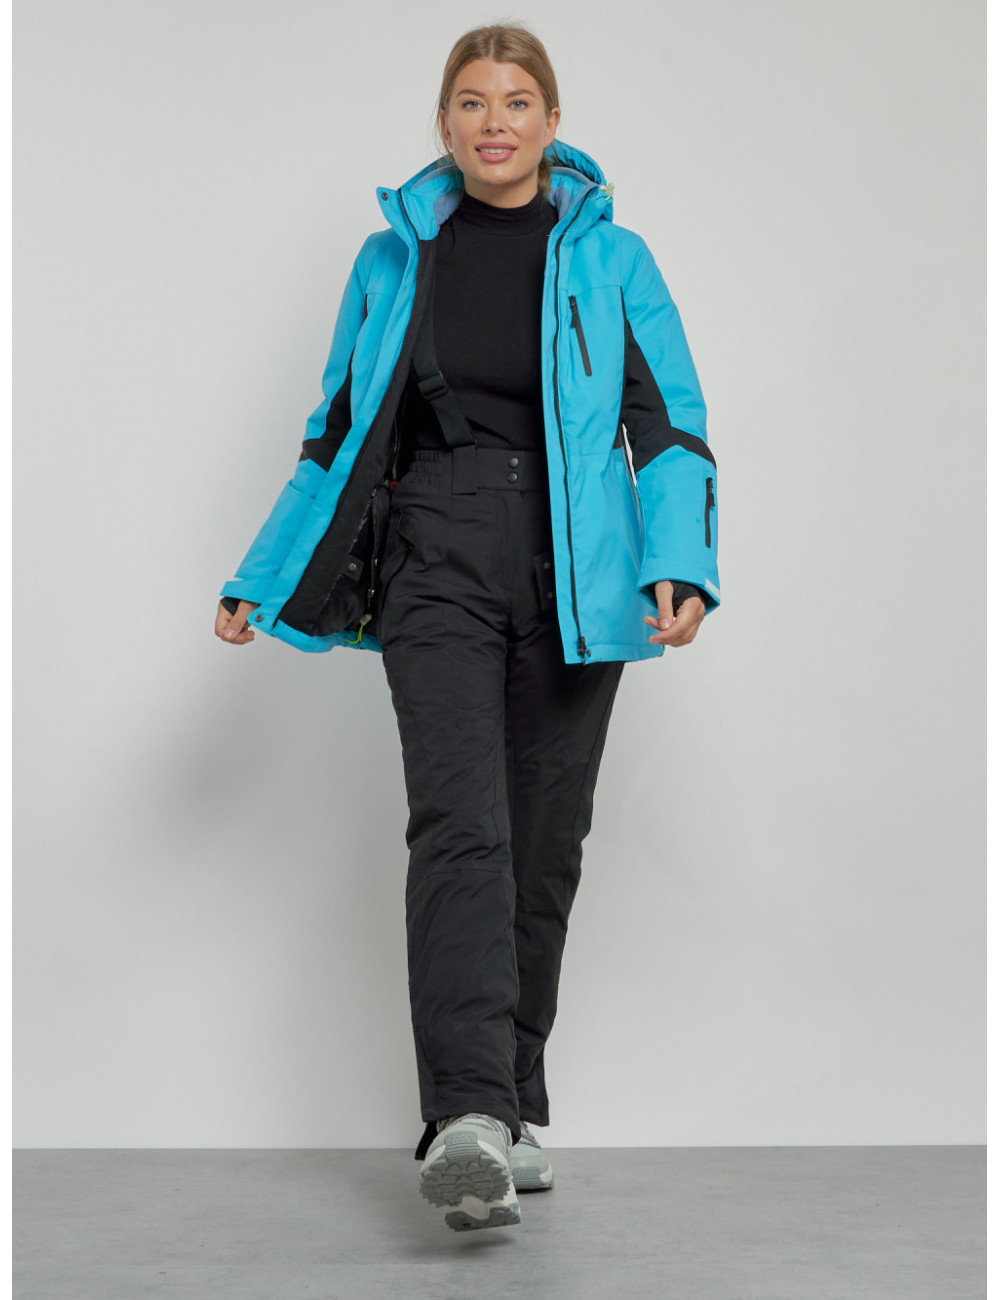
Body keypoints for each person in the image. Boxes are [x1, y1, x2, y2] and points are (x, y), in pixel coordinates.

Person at [215, 22, 721, 1234]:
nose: (494, 122)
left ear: (552, 121)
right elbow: (335, 429)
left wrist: (680, 561)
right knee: (460, 826)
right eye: (472, 102)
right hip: (435, 549)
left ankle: (510, 1106)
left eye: (516, 101)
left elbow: (668, 422)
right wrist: (260, 572)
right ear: (444, 121)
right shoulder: (394, 259)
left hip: (578, 568)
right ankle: (466, 1118)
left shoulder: (614, 258)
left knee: (543, 844)